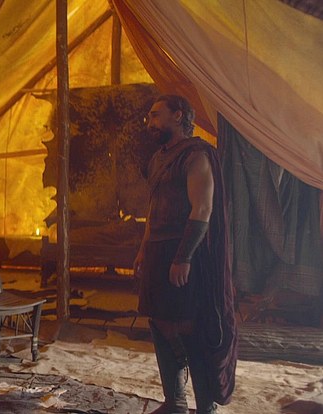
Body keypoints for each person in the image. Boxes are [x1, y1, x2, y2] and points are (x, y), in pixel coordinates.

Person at [134, 95, 237, 414]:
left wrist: (183, 258)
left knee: (191, 329)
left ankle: (206, 407)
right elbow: (153, 208)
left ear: (178, 116)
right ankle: (175, 402)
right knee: (159, 322)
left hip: (184, 253)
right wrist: (144, 249)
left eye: (156, 115)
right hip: (157, 252)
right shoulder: (158, 159)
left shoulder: (196, 155)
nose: (150, 122)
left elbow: (202, 208)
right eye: (149, 117)